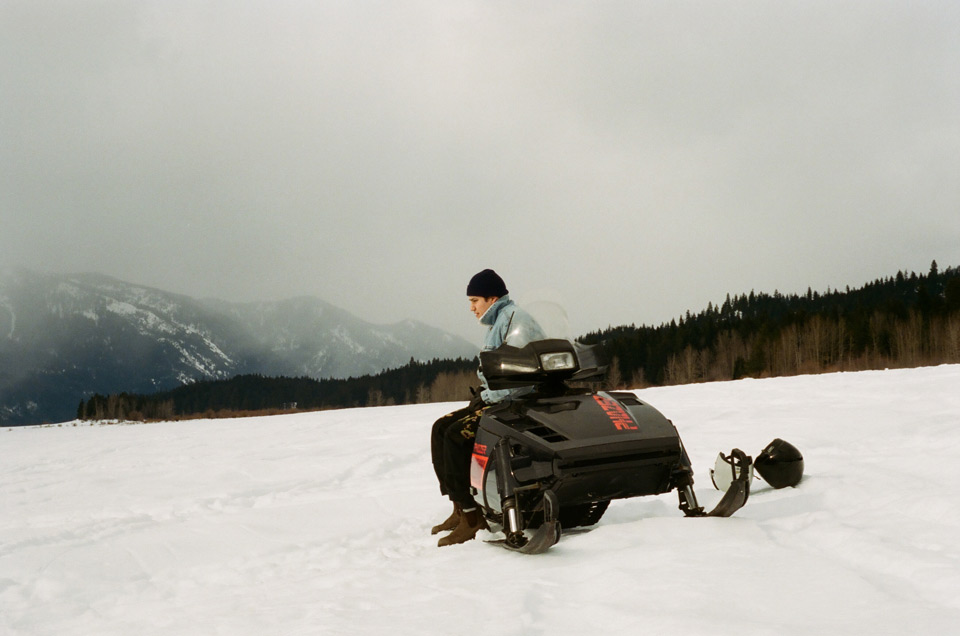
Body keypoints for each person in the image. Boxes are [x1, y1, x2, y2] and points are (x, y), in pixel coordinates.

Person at [430, 269, 545, 547]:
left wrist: (492, 396)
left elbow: (523, 376)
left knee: (457, 436)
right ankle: (461, 507)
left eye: (475, 301)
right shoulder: (501, 320)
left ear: (492, 298)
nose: (471, 308)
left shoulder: (517, 322)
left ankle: (472, 517)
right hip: (499, 397)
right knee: (441, 428)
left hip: (516, 402)